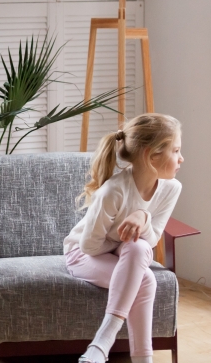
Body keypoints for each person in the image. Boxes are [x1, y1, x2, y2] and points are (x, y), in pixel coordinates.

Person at [63, 113, 184, 363]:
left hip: (123, 253)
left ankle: (99, 348)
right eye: (175, 150)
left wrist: (142, 216)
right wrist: (123, 240)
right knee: (145, 279)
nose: (181, 158)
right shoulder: (113, 191)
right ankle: (128, 353)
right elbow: (90, 245)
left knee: (139, 247)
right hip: (82, 254)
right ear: (151, 156)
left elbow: (151, 241)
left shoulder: (172, 189)